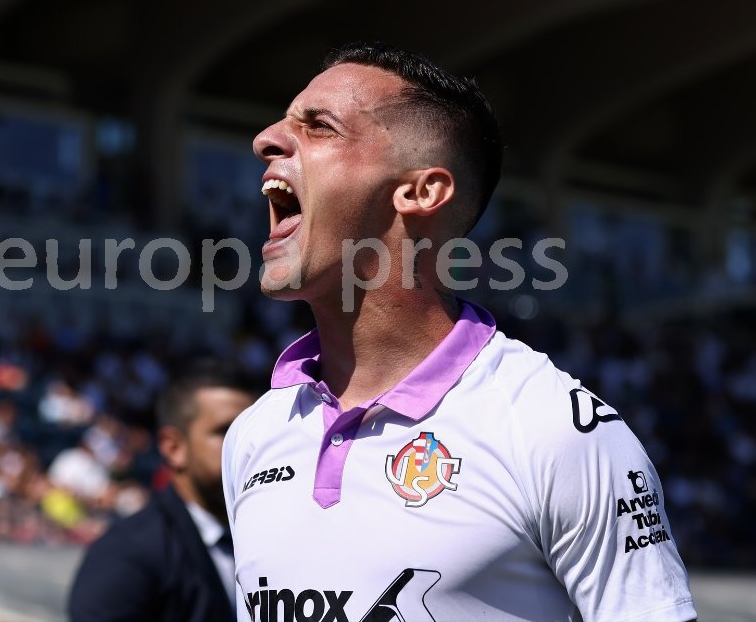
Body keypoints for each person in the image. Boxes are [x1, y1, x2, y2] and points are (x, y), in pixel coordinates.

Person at [222, 43, 695, 622]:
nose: (265, 139)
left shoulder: (554, 432)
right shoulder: (255, 433)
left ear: (421, 192)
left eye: (319, 126)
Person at [69, 359, 256, 622]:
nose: (247, 447)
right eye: (225, 431)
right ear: (173, 448)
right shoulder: (126, 554)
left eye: (253, 432)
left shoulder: (273, 538)